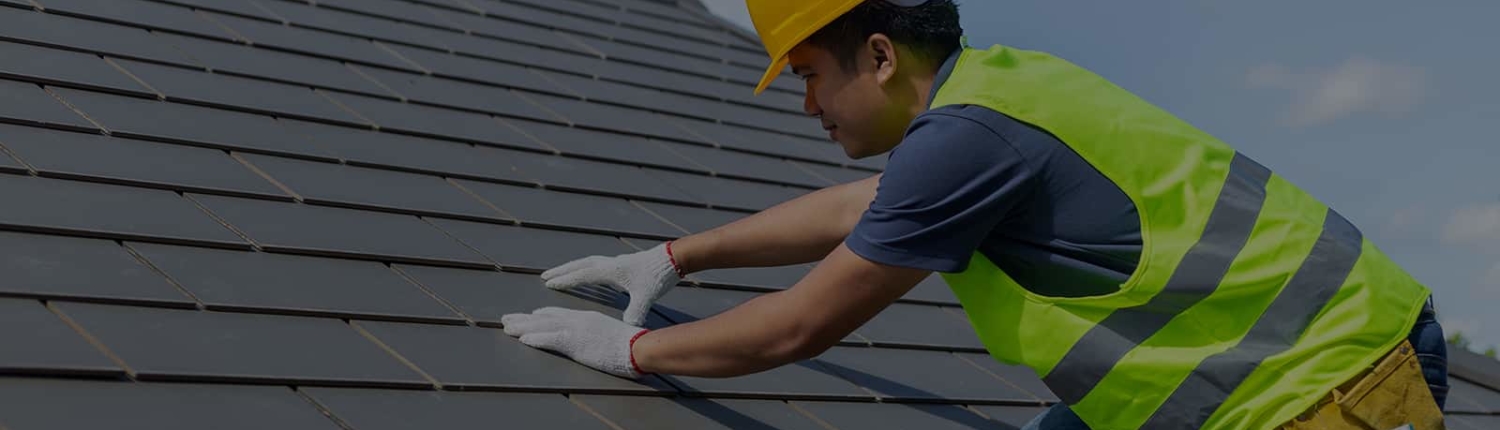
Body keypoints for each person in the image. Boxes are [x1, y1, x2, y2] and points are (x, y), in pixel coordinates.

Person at [500, 1, 1450, 428]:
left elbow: (798, 326)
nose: (806, 106)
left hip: (1330, 385)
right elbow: (860, 208)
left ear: (878, 56)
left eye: (809, 76)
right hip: (1282, 369)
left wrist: (629, 352)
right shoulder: (991, 95)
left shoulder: (968, 139)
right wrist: (674, 257)